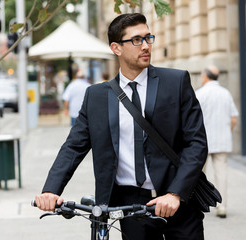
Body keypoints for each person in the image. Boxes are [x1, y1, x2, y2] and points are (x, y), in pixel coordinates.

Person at [35, 13, 207, 240]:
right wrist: (50, 190)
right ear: (116, 48)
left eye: (148, 38)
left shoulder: (176, 82)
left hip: (177, 200)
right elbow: (73, 147)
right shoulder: (96, 96)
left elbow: (196, 142)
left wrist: (175, 193)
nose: (145, 46)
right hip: (129, 206)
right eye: (136, 40)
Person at [196, 65, 238, 219]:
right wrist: (227, 131)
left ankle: (198, 203)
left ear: (206, 76)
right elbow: (233, 118)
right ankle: (222, 206)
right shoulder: (225, 93)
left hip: (202, 140)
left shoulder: (200, 93)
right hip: (222, 139)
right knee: (221, 173)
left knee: (198, 173)